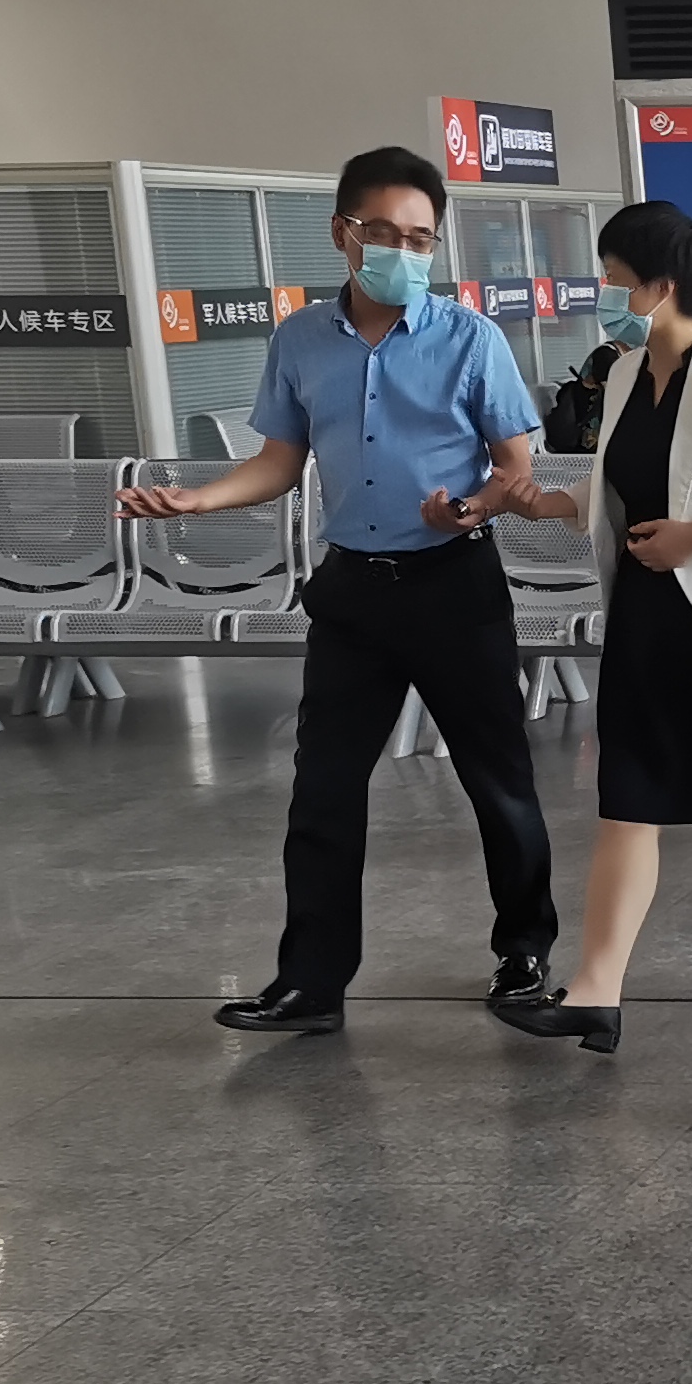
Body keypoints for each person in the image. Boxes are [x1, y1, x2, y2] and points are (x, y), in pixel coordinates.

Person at [122, 144, 555, 1036]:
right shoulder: (300, 340)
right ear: (342, 234)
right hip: (353, 594)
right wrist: (198, 498)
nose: (403, 250)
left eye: (421, 238)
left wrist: (469, 511)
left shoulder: (470, 338)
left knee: (498, 781)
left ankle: (524, 955)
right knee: (322, 789)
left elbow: (516, 469)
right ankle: (310, 983)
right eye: (384, 232)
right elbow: (279, 462)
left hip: (454, 587)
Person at [494, 202, 692, 1056]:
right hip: (644, 616)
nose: (605, 293)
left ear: (662, 287)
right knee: (628, 800)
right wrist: (541, 503)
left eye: (616, 279)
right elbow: (621, 484)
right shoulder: (628, 372)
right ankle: (596, 993)